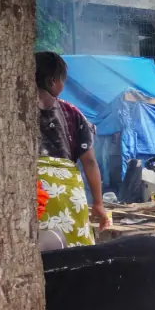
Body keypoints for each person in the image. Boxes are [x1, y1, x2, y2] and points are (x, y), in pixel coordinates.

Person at [36, 52, 108, 247]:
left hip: (34, 193)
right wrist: (99, 204)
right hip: (67, 195)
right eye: (62, 80)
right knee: (76, 251)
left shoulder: (11, 110)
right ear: (53, 81)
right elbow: (90, 162)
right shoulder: (72, 113)